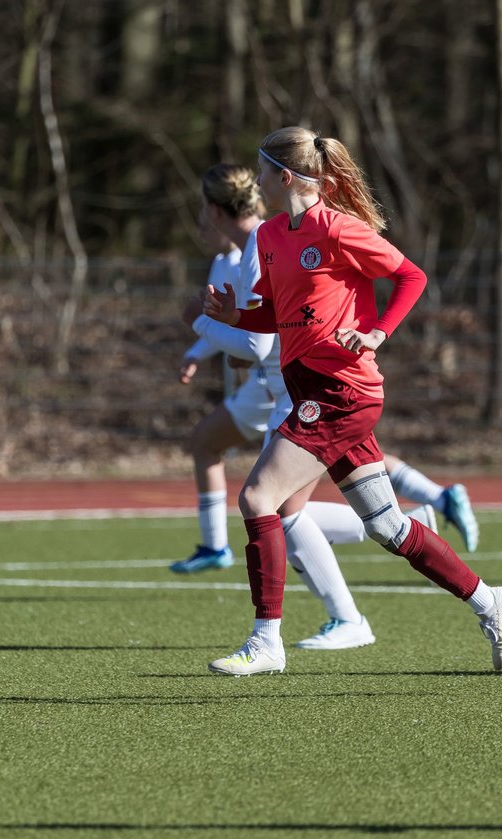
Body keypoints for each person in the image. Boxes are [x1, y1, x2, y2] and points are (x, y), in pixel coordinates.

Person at [202, 128, 502, 675]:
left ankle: (266, 641)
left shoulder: (340, 229)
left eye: (261, 169)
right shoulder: (273, 234)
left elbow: (410, 276)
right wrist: (234, 316)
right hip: (311, 389)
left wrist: (379, 333)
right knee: (388, 527)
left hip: (342, 391)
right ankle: (491, 601)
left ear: (285, 176)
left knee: (257, 498)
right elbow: (275, 316)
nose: (256, 181)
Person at [174, 164, 446, 651]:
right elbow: (262, 319)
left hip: (303, 393)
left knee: (271, 507)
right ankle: (398, 544)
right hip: (286, 391)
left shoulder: (270, 239)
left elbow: (260, 343)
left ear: (214, 209)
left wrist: (204, 327)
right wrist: (216, 331)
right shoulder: (249, 246)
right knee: (280, 506)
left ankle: (315, 626)